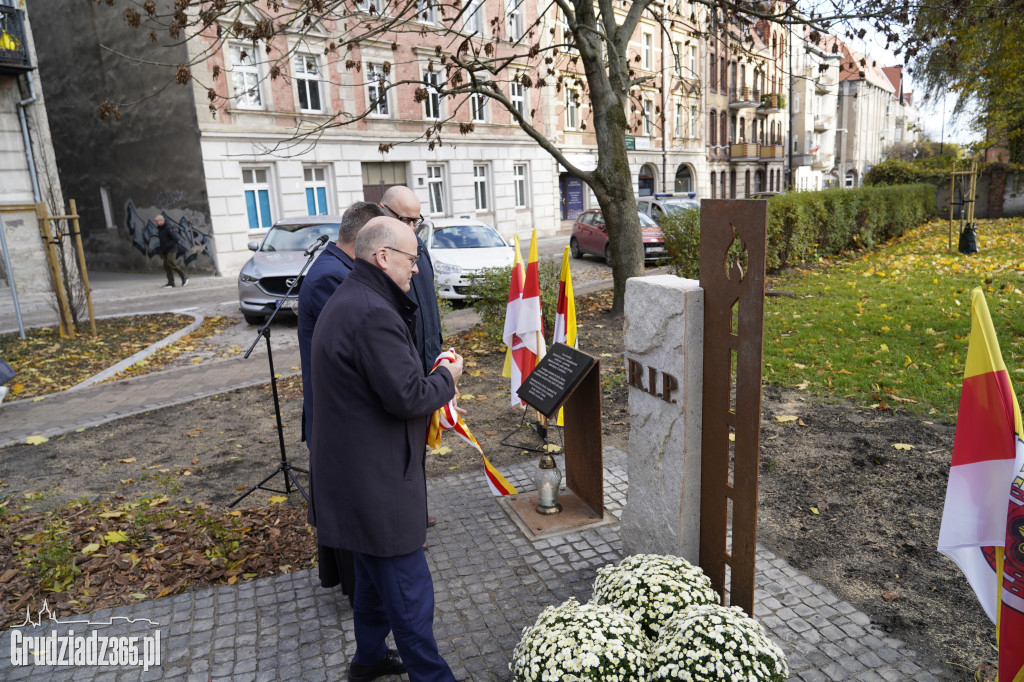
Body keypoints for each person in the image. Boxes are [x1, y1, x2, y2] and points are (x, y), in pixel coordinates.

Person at [310, 216, 462, 682]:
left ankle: (369, 660)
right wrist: (447, 378)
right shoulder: (372, 311)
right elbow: (409, 397)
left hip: (354, 477)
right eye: (411, 260)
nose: (416, 270)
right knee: (409, 595)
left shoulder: (357, 295)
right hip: (374, 486)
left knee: (374, 587)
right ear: (382, 257)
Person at [297, 201, 383, 600]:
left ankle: (356, 583)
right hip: (338, 412)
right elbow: (360, 342)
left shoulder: (335, 266)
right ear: (364, 237)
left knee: (344, 500)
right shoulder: (334, 276)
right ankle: (359, 590)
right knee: (348, 503)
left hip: (334, 407)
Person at [378, 186, 442, 375]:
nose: (412, 229)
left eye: (416, 221)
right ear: (383, 209)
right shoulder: (375, 255)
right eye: (405, 220)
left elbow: (430, 307)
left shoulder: (419, 247)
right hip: (403, 369)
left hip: (430, 362)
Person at [155, 215, 188, 288]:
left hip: (172, 249)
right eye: (156, 221)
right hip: (165, 250)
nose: (156, 222)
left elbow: (175, 239)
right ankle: (171, 282)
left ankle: (184, 276)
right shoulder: (160, 228)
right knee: (166, 266)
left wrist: (167, 245)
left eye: (157, 221)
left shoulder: (168, 227)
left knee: (170, 262)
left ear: (162, 220)